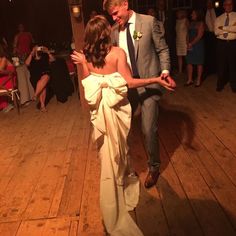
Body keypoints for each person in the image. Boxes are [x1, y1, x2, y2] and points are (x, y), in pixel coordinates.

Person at [71, 15, 175, 236]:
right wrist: (155, 79)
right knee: (116, 153)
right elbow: (129, 83)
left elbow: (89, 85)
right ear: (105, 33)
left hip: (100, 113)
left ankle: (122, 187)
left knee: (109, 155)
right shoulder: (118, 53)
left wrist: (82, 65)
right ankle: (113, 207)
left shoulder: (86, 58)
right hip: (115, 111)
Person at [103, 0, 175, 189]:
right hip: (126, 86)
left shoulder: (149, 22)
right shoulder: (113, 31)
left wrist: (165, 72)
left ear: (125, 4)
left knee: (147, 128)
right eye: (111, 15)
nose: (114, 18)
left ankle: (154, 167)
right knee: (123, 129)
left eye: (116, 13)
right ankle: (128, 168)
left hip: (150, 84)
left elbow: (162, 49)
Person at [214, 0, 236, 93]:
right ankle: (219, 85)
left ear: (233, 5)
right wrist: (231, 28)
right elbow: (216, 32)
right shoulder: (219, 18)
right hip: (221, 44)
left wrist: (222, 28)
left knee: (233, 65)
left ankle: (234, 86)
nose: (228, 6)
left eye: (230, 4)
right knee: (221, 65)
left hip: (233, 43)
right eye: (226, 4)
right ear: (223, 6)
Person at [25, 46, 54, 112]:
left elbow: (53, 60)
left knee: (45, 77)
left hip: (46, 73)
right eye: (36, 48)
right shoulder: (31, 57)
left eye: (39, 47)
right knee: (42, 86)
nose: (38, 49)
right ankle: (42, 106)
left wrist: (48, 52)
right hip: (35, 77)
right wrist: (32, 53)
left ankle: (35, 95)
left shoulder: (44, 55)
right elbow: (26, 63)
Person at [185, 9, 205, 87]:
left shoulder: (201, 23)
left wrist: (191, 43)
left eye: (193, 14)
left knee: (199, 63)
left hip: (198, 45)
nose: (191, 15)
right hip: (190, 44)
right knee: (189, 62)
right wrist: (187, 43)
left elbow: (200, 35)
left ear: (197, 14)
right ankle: (190, 79)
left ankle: (198, 80)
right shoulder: (191, 23)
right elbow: (187, 34)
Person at [0, 43, 16, 113]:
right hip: (3, 81)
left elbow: (0, 70)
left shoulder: (4, 58)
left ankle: (5, 105)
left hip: (9, 81)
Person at [205, 0, 217, 76]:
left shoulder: (217, 11)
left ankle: (215, 69)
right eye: (207, 3)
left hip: (215, 34)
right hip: (207, 35)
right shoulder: (204, 12)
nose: (209, 4)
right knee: (208, 52)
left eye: (210, 3)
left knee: (215, 52)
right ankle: (209, 70)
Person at [175, 9, 189, 74]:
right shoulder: (177, 21)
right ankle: (180, 70)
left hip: (184, 39)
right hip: (178, 40)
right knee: (179, 56)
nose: (177, 14)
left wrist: (188, 40)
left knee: (186, 55)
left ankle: (188, 69)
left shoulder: (185, 20)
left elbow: (189, 30)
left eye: (178, 13)